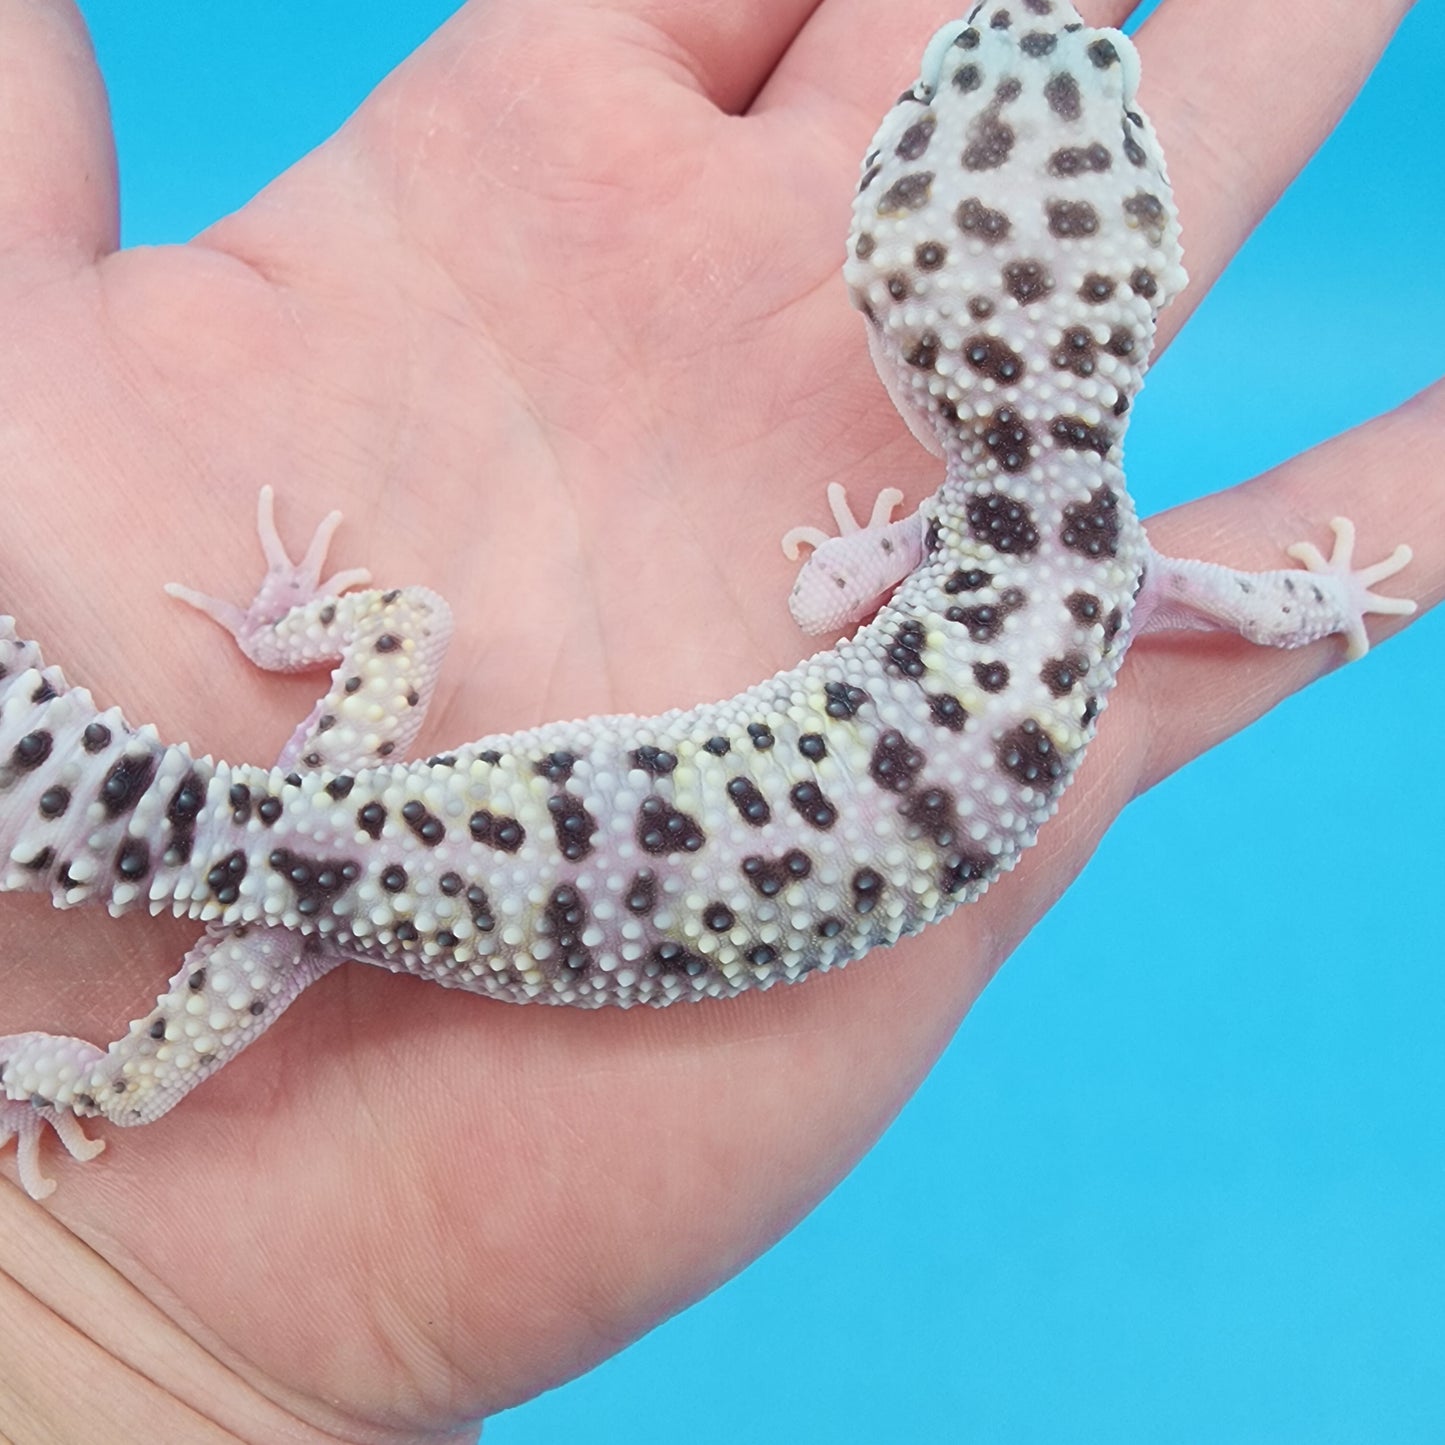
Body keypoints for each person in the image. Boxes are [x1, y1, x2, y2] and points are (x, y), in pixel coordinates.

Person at [0, 0, 1437, 1439]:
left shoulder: (1007, 559)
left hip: (385, 844)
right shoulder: (1115, 569)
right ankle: (71, 1077)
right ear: (1138, 270)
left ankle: (98, 1036)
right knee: (139, 1062)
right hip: (477, 872)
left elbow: (827, 588)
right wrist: (1319, 595)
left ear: (889, 286)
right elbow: (1251, 611)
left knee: (210, 949)